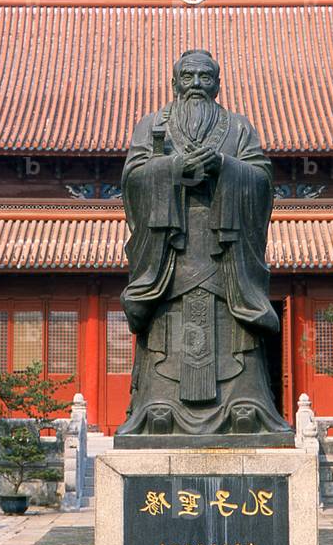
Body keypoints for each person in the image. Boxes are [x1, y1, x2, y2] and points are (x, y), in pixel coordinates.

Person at [116, 49, 290, 437]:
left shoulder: (239, 128)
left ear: (218, 83)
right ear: (174, 82)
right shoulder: (150, 126)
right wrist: (172, 168)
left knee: (234, 326)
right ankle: (158, 405)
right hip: (170, 248)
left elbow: (261, 178)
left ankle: (245, 404)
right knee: (166, 323)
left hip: (225, 248)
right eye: (189, 76)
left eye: (205, 77)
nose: (196, 84)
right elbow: (132, 178)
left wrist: (226, 168)